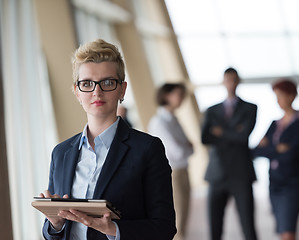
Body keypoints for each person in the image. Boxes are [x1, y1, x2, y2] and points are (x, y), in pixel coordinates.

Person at [38, 39, 176, 240]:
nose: (97, 91)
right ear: (77, 92)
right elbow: (52, 233)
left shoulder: (147, 149)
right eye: (87, 83)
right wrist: (56, 224)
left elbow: (164, 228)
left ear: (122, 89)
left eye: (108, 82)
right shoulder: (61, 153)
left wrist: (113, 230)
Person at [201, 67, 258, 240]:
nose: (231, 84)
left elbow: (243, 137)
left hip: (241, 173)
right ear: (223, 82)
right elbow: (205, 138)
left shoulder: (250, 108)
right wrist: (234, 131)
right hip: (216, 174)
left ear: (238, 81)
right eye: (228, 80)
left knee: (248, 227)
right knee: (214, 228)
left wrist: (220, 132)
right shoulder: (211, 110)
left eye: (234, 80)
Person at [253, 78, 299, 240]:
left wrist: (269, 148)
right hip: (275, 182)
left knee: (288, 231)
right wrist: (278, 148)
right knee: (281, 229)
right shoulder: (274, 124)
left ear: (291, 96)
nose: (278, 100)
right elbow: (256, 151)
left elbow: (291, 154)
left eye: (281, 95)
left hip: (292, 181)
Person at [148, 83, 193, 240]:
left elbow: (190, 148)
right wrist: (187, 147)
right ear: (166, 95)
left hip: (182, 170)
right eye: (178, 94)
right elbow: (178, 151)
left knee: (184, 216)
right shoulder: (159, 122)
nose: (181, 98)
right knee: (177, 219)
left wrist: (187, 147)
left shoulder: (174, 119)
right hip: (173, 173)